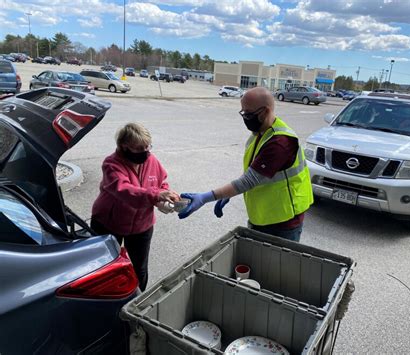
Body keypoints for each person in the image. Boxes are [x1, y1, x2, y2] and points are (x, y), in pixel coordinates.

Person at [178, 87, 313, 242]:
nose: (245, 117)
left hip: (282, 222)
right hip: (264, 216)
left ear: (266, 111)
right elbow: (253, 172)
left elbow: (249, 181)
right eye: (243, 112)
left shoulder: (279, 142)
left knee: (276, 265)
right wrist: (229, 192)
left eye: (249, 113)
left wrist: (206, 197)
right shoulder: (260, 133)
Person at [91, 123, 180, 291]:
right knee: (106, 268)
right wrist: (155, 195)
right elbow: (124, 191)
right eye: (139, 148)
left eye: (147, 146)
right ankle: (108, 302)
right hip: (108, 223)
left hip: (142, 225)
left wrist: (163, 199)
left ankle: (136, 304)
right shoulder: (111, 164)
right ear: (123, 146)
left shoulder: (151, 159)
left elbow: (161, 183)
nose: (145, 152)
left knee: (140, 268)